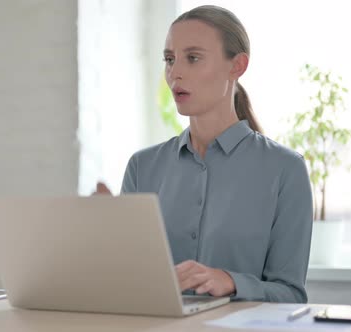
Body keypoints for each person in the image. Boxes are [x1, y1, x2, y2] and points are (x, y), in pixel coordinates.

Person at [98, 5, 312, 303]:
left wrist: (231, 282)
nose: (175, 73)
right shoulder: (142, 167)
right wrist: (99, 238)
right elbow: (126, 283)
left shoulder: (285, 169)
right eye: (170, 60)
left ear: (237, 66)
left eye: (193, 58)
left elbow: (291, 294)